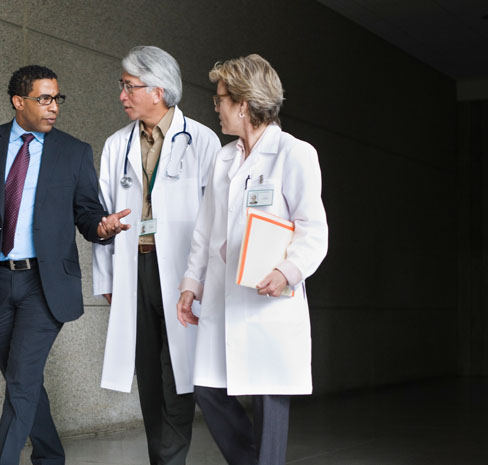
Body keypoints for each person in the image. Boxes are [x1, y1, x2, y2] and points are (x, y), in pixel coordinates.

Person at [0, 65, 130, 465]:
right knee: (21, 383)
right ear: (19, 101)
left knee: (22, 380)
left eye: (57, 99)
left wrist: (103, 226)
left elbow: (87, 213)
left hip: (44, 287)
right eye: (44, 99)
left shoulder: (74, 151)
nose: (53, 108)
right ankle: (50, 456)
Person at [176, 54, 328, 465]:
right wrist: (191, 284)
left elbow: (314, 230)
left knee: (269, 399)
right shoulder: (224, 159)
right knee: (207, 389)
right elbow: (205, 231)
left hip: (269, 299)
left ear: (243, 104)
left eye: (221, 99)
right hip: (225, 298)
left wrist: (286, 271)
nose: (217, 107)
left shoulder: (294, 154)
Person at [92, 46, 221, 465]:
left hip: (183, 269)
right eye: (122, 86)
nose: (122, 95)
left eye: (129, 87)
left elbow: (214, 217)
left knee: (178, 368)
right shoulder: (116, 145)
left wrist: (201, 277)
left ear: (159, 90)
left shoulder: (201, 140)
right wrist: (108, 281)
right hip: (135, 268)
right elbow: (103, 215)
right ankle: (162, 457)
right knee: (147, 369)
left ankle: (170, 458)